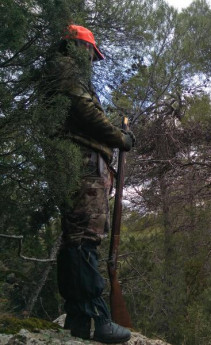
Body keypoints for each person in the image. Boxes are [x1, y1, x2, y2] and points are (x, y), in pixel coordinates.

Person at [45, 24, 134, 343]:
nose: (91, 62)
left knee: (76, 237)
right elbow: (86, 112)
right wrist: (119, 137)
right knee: (84, 236)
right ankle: (95, 318)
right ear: (79, 50)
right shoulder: (67, 70)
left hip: (75, 162)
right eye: (91, 55)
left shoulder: (59, 74)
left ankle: (79, 318)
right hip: (82, 165)